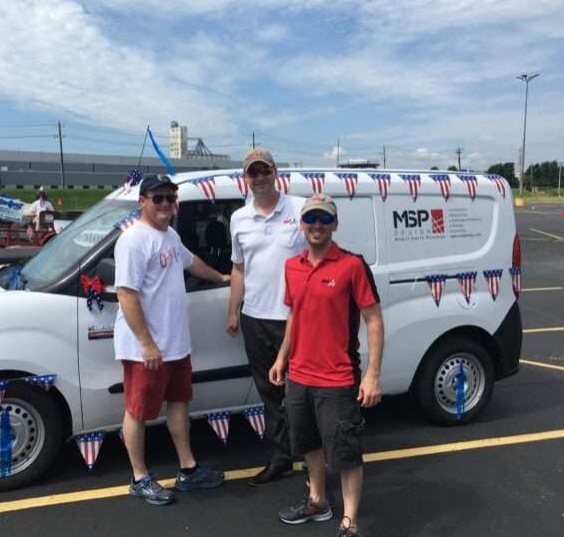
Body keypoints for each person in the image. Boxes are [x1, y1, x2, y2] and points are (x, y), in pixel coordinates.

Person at [269, 194, 384, 535]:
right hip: (299, 375)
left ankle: (350, 522)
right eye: (311, 219)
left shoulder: (351, 265)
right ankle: (317, 501)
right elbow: (294, 315)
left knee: (345, 453)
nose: (316, 225)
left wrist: (373, 375)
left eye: (324, 219)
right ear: (302, 224)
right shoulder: (292, 266)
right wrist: (281, 358)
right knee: (309, 444)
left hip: (337, 377)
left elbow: (374, 319)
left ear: (334, 224)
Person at [114, 174, 230, 506]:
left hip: (176, 343)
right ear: (143, 201)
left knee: (179, 403)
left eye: (171, 197)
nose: (166, 203)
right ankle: (139, 478)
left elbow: (192, 263)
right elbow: (126, 294)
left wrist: (222, 276)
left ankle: (188, 470)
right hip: (147, 348)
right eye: (158, 197)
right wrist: (147, 343)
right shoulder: (135, 240)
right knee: (138, 411)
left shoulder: (170, 236)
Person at [226, 148, 306, 486]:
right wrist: (233, 310)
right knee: (269, 392)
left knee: (305, 391)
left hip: (296, 317)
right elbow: (239, 267)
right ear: (246, 178)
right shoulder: (239, 218)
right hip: (256, 317)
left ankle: (314, 457)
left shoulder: (301, 209)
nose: (258, 178)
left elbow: (321, 253)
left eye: (264, 171)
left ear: (276, 172)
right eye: (252, 173)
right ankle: (282, 456)